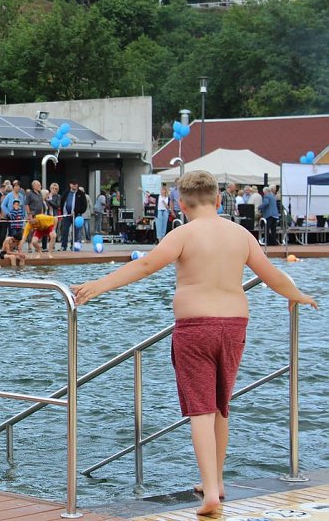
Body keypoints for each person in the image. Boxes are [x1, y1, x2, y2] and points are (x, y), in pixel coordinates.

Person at [71, 170, 317, 516]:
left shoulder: (182, 234)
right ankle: (215, 482)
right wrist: (297, 295)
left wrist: (99, 285)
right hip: (234, 326)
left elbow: (144, 268)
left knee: (200, 409)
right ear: (219, 200)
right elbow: (272, 275)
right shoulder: (241, 234)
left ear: (181, 205)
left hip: (195, 327)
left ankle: (211, 495)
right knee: (220, 405)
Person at [60, 180, 87, 250]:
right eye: (73, 184)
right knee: (65, 230)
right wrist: (63, 213)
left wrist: (77, 212)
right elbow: (62, 203)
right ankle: (63, 246)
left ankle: (73, 246)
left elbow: (84, 206)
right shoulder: (66, 193)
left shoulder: (81, 194)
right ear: (70, 185)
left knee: (76, 231)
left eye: (76, 184)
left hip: (77, 216)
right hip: (67, 215)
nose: (74, 185)